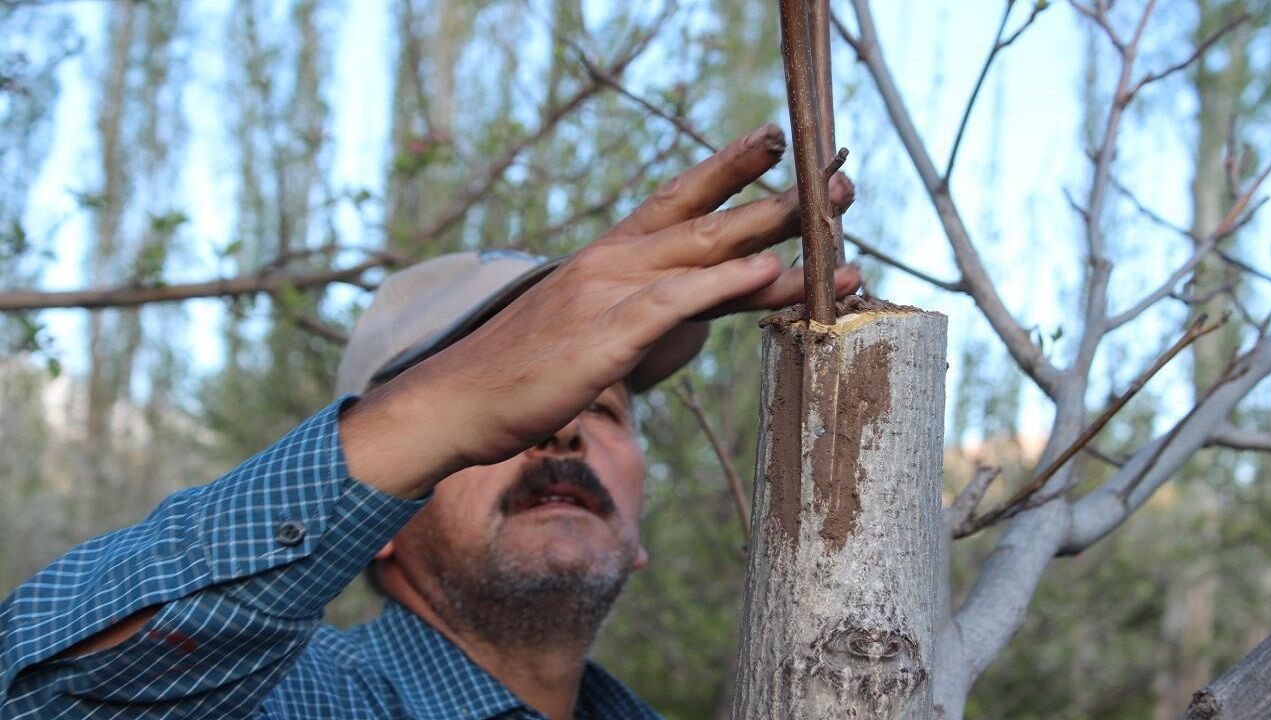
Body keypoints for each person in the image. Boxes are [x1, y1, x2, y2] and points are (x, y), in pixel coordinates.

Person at [0, 123, 859, 719]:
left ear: (640, 532)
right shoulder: (279, 701)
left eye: (599, 407)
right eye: (514, 402)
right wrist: (437, 406)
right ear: (378, 519)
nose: (560, 431)